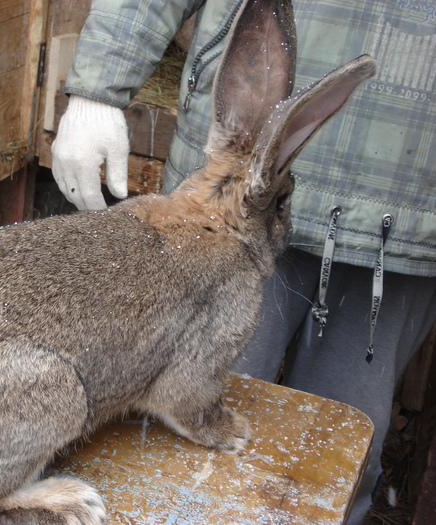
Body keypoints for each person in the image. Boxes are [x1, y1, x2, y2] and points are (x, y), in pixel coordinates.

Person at [50, 0, 436, 522]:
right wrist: (100, 85)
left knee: (339, 454)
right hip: (227, 225)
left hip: (406, 216)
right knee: (189, 423)